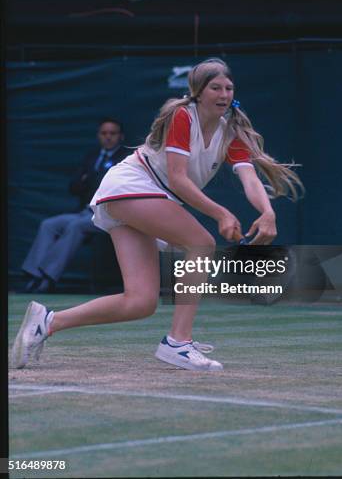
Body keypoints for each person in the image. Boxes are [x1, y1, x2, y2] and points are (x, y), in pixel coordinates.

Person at [11, 59, 303, 371]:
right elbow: (178, 178)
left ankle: (47, 322)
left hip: (141, 198)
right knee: (201, 243)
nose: (224, 94)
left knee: (140, 302)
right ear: (198, 93)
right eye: (215, 87)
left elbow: (249, 177)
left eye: (228, 88)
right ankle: (178, 342)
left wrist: (268, 212)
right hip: (131, 186)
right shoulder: (182, 116)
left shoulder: (230, 131)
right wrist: (221, 214)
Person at [21, 118, 130, 293]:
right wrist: (89, 180)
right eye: (104, 133)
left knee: (75, 226)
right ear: (98, 136)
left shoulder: (125, 158)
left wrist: (90, 179)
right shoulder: (92, 156)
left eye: (112, 133)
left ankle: (48, 278)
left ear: (121, 136)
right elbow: (74, 186)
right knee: (49, 224)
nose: (108, 137)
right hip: (84, 211)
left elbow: (109, 186)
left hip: (108, 215)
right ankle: (35, 275)